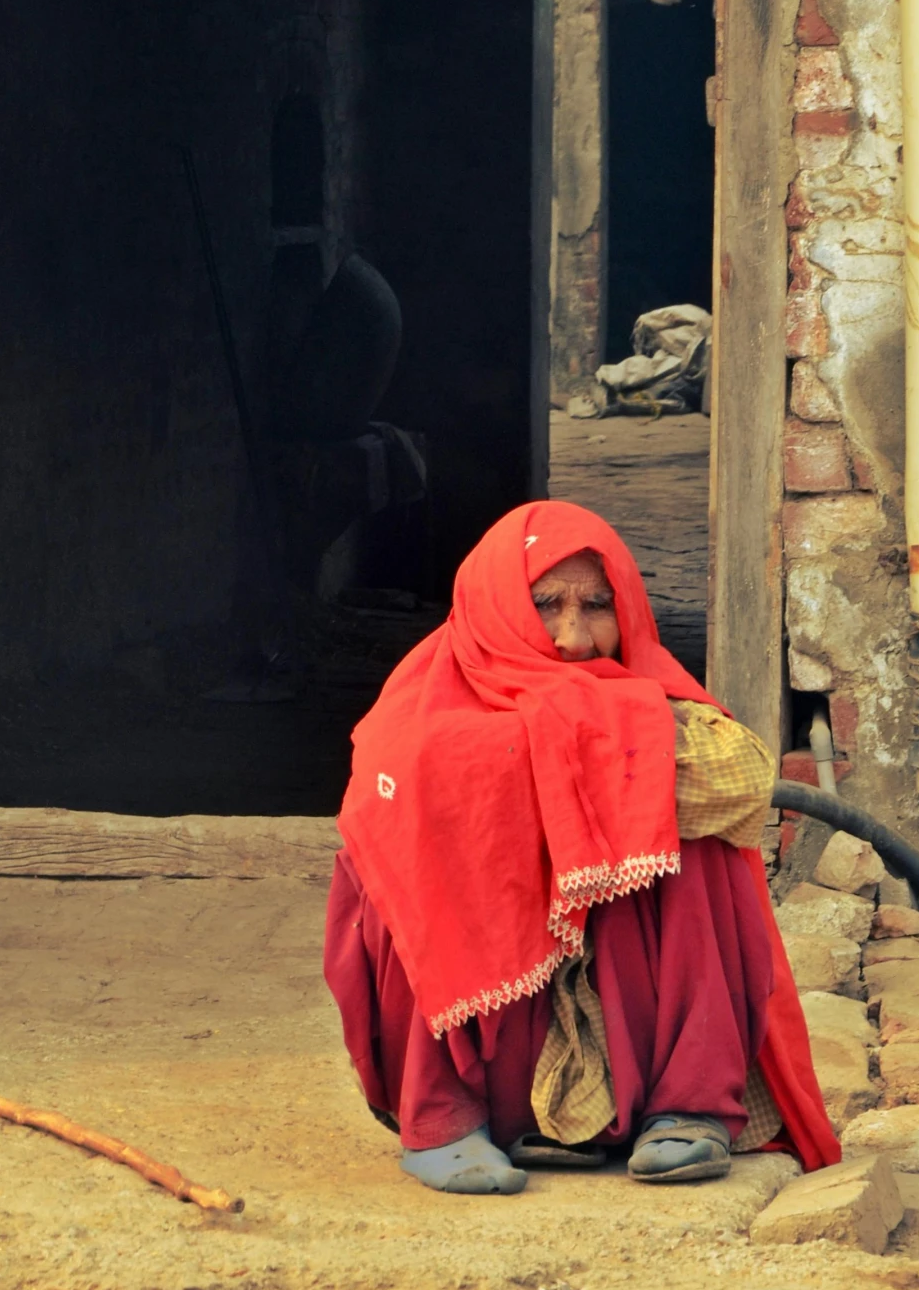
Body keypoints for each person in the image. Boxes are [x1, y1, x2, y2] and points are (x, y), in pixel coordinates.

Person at [323, 500, 839, 1192]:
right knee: (411, 831)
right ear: (496, 603)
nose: (571, 638)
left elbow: (742, 780)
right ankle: (442, 1120)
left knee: (699, 839)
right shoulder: (421, 709)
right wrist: (577, 763)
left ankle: (686, 1107)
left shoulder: (644, 693)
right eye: (543, 605)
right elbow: (426, 784)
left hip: (634, 1048)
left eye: (596, 605)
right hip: (492, 1057)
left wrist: (582, 747)